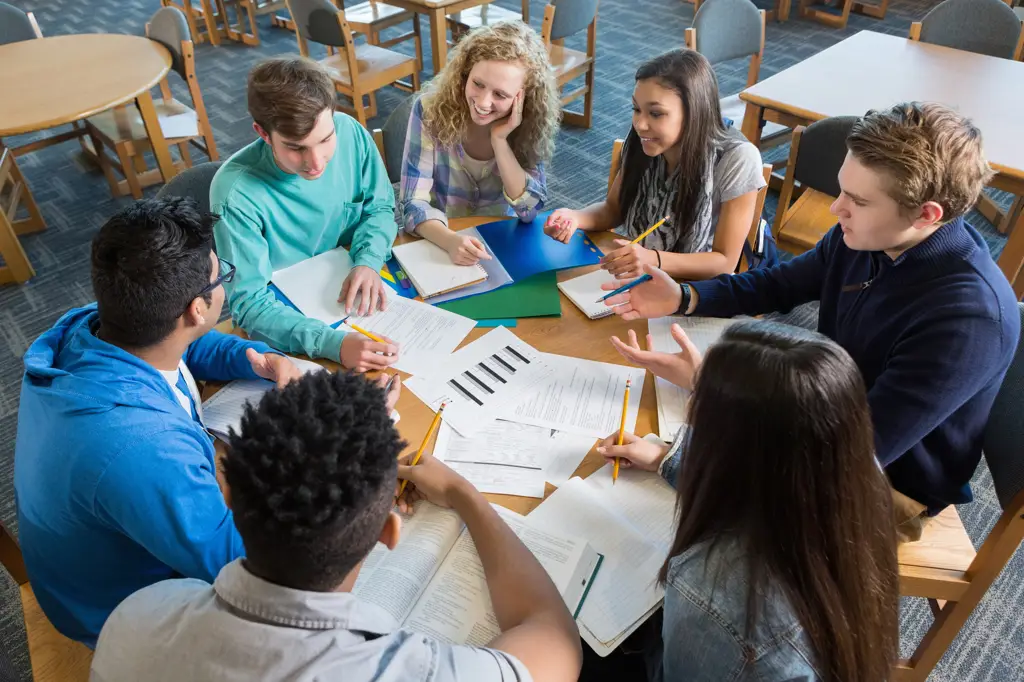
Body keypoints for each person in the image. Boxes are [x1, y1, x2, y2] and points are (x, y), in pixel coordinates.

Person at [603, 102, 1021, 539]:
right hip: (827, 410)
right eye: (842, 190)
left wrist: (682, 450)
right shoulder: (870, 234)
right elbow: (778, 284)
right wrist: (684, 295)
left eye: (858, 200)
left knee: (699, 536)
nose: (835, 208)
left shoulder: (968, 320)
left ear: (926, 214)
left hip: (886, 480)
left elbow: (844, 456)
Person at [91, 370, 583, 682]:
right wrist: (463, 495)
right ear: (389, 534)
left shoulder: (136, 617)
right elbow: (555, 639)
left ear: (229, 494)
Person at [14, 198, 308, 648]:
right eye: (222, 275)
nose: (224, 281)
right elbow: (239, 565)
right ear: (196, 309)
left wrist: (260, 360)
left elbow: (186, 347)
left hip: (96, 558)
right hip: (118, 616)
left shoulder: (94, 329)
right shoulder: (141, 446)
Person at [593, 321, 899, 681]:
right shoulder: (854, 474)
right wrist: (668, 456)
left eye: (697, 404)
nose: (691, 411)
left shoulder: (713, 597)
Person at [211, 56, 401, 372]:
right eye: (297, 148)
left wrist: (368, 260)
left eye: (325, 140)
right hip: (287, 325)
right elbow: (249, 304)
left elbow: (379, 208)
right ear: (263, 133)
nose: (316, 162)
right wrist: (331, 344)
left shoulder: (351, 132)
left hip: (358, 292)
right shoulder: (235, 193)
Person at [544, 49, 767, 280]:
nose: (640, 124)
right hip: (638, 270)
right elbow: (613, 210)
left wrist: (653, 259)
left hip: (696, 288)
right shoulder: (645, 141)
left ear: (694, 112)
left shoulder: (736, 158)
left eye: (656, 113)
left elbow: (724, 262)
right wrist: (575, 217)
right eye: (636, 109)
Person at [401, 20, 560, 265]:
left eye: (500, 94)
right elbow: (412, 203)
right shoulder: (430, 111)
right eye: (478, 84)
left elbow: (529, 211)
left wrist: (500, 140)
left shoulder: (527, 126)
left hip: (498, 241)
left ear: (522, 99)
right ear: (465, 73)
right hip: (439, 240)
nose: (484, 102)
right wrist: (451, 241)